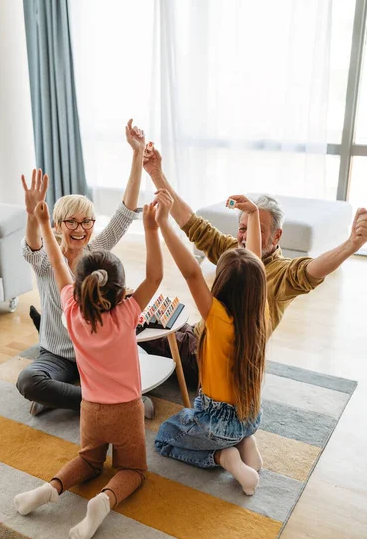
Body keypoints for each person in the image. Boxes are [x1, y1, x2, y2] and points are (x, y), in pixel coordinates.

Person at [140, 145, 367, 387]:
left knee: (130, 332)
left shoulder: (281, 273)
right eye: (242, 228)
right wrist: (155, 173)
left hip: (206, 358)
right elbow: (192, 223)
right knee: (147, 321)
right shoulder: (234, 253)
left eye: (256, 230)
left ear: (277, 236)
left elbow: (309, 271)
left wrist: (350, 246)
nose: (245, 238)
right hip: (198, 334)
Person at [14, 196, 163, 539]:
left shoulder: (71, 311)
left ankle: (50, 489)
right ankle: (103, 501)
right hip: (126, 410)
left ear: (79, 287)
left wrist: (41, 219)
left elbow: (56, 261)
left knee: (89, 460)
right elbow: (156, 275)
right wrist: (153, 229)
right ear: (121, 291)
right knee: (133, 470)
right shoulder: (128, 314)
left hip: (90, 410)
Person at [17, 120, 146, 416]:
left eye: (86, 221)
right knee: (28, 381)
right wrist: (31, 214)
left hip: (95, 351)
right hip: (58, 354)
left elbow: (125, 212)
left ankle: (64, 396)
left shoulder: (96, 252)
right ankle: (97, 400)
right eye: (71, 222)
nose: (80, 228)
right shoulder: (47, 260)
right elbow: (33, 245)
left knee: (140, 359)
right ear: (58, 226)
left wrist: (137, 153)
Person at [153, 189, 267, 495]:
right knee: (211, 420)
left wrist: (163, 222)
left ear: (222, 282)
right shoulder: (258, 313)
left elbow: (191, 272)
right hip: (249, 414)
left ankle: (225, 457)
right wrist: (253, 214)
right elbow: (254, 262)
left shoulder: (218, 318)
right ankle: (246, 441)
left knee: (164, 437)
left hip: (217, 423)